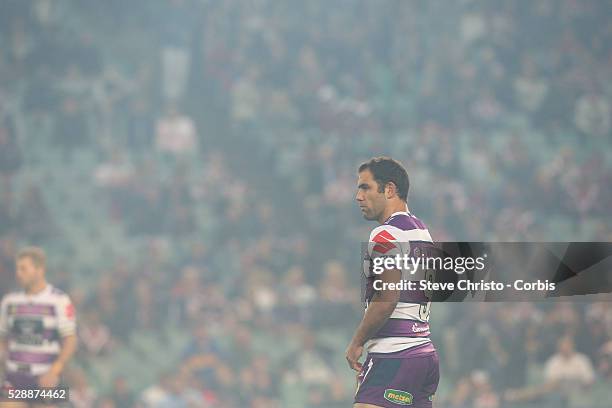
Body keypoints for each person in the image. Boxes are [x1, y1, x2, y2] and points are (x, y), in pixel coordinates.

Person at [346, 157, 439, 408]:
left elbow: (386, 299)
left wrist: (357, 342)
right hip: (423, 354)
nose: (358, 196)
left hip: (394, 355)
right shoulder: (422, 232)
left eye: (365, 187)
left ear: (389, 189)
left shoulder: (386, 234)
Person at [0, 247, 77, 407]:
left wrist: (55, 370)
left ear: (39, 270)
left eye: (23, 268)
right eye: (17, 268)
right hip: (14, 378)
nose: (18, 273)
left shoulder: (59, 300)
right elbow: (3, 338)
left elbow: (70, 340)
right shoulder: (9, 301)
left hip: (46, 377)